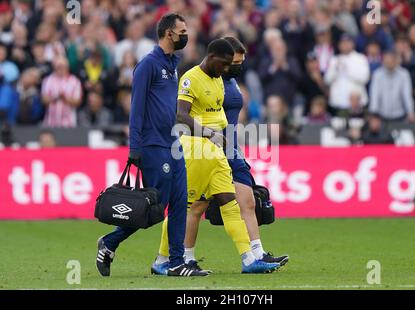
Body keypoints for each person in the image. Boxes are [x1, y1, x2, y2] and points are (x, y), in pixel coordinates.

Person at [152, 39, 280, 275]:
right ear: (211, 57)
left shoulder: (219, 79)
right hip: (196, 150)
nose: (227, 70)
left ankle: (249, 259)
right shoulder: (191, 78)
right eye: (224, 64)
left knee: (230, 203)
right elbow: (180, 115)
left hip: (217, 151)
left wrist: (223, 136)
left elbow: (217, 113)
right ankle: (162, 260)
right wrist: (209, 133)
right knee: (186, 207)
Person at [96, 13, 208, 277]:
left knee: (181, 202)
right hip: (152, 145)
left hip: (173, 144)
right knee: (155, 208)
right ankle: (109, 242)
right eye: (182, 30)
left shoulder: (172, 65)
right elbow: (136, 110)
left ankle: (176, 262)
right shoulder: (148, 65)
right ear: (169, 33)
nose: (186, 35)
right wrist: (134, 148)